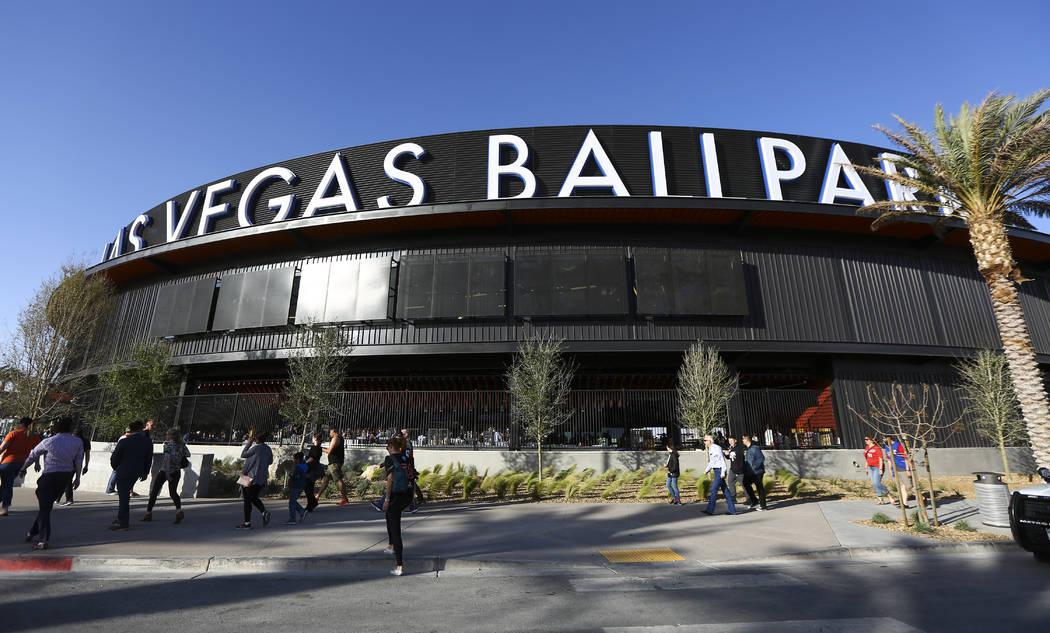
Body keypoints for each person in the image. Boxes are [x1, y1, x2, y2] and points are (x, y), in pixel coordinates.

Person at [19, 417, 83, 549]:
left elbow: (33, 455)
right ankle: (32, 531)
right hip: (65, 477)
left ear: (56, 428)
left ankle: (43, 540)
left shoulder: (49, 441)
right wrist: (77, 478)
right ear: (71, 428)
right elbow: (78, 461)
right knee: (46, 507)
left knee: (45, 508)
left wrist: (23, 468)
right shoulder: (77, 442)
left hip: (49, 477)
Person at [109, 420, 153, 531]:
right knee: (125, 496)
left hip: (123, 471)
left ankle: (122, 522)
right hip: (137, 472)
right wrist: (145, 472)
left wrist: (116, 468)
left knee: (123, 497)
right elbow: (149, 459)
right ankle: (120, 518)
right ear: (140, 429)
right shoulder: (147, 442)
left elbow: (114, 458)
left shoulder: (125, 441)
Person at [141, 428, 189, 524]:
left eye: (167, 434)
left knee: (154, 492)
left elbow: (167, 459)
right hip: (177, 471)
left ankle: (148, 513)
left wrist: (167, 474)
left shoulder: (168, 445)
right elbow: (188, 454)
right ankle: (179, 511)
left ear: (171, 436)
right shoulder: (182, 445)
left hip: (165, 471)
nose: (166, 436)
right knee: (173, 492)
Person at [381, 436, 412, 576]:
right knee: (389, 517)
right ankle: (391, 545)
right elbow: (412, 477)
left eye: (387, 447)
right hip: (406, 495)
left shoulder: (390, 459)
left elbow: (390, 480)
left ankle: (399, 565)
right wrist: (412, 500)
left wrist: (386, 500)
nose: (387, 449)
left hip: (395, 496)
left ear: (391, 447)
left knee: (395, 528)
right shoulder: (406, 458)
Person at [1, 417, 40, 516]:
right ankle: (5, 506)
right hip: (22, 465)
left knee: (7, 485)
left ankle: (5, 508)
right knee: (7, 484)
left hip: (8, 463)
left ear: (21, 424)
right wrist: (36, 463)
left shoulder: (14, 433)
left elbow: (2, 448)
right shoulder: (34, 437)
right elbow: (36, 452)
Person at [237, 430, 273, 529]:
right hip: (261, 478)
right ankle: (263, 512)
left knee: (247, 500)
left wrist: (249, 443)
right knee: (253, 498)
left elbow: (243, 454)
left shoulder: (256, 448)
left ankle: (247, 523)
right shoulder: (268, 449)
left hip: (249, 477)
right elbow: (270, 461)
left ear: (256, 440)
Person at [702, 435, 736, 515]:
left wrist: (723, 472)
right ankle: (732, 510)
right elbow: (712, 462)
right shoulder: (710, 448)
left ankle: (710, 510)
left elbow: (722, 460)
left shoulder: (716, 448)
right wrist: (707, 470)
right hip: (716, 470)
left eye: (705, 440)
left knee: (713, 490)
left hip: (720, 471)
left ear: (710, 441)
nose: (704, 442)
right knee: (726, 491)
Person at [58, 427, 91, 506]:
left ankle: (69, 499)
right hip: (78, 463)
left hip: (69, 462)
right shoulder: (86, 441)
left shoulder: (72, 440)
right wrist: (86, 466)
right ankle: (58, 497)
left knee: (67, 480)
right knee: (66, 480)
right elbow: (87, 455)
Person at [316, 428, 349, 506]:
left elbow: (329, 451)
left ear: (334, 432)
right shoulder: (339, 438)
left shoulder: (336, 438)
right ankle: (317, 496)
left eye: (330, 432)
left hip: (335, 463)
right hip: (332, 463)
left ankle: (345, 498)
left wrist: (320, 448)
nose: (329, 434)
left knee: (338, 480)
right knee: (326, 479)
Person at [863, 436, 895, 506]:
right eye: (865, 439)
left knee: (877, 483)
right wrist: (866, 467)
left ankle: (889, 494)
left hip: (877, 467)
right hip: (870, 467)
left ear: (871, 440)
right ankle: (880, 499)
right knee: (875, 484)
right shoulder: (867, 448)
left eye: (867, 439)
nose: (865, 441)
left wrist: (880, 468)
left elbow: (881, 459)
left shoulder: (877, 448)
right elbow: (867, 458)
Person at [741, 435, 767, 511]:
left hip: (757, 472)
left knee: (759, 488)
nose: (742, 441)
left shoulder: (755, 448)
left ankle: (763, 506)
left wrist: (755, 466)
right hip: (750, 472)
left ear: (746, 439)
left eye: (743, 439)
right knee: (745, 483)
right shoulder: (748, 449)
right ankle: (754, 501)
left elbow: (761, 458)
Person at [105, 426, 132, 495]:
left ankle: (111, 489)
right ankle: (109, 489)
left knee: (117, 473)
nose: (128, 434)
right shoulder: (124, 438)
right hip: (119, 459)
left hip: (120, 458)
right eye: (128, 432)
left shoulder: (124, 438)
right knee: (115, 473)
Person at [887, 436, 913, 508]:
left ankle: (922, 498)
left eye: (884, 438)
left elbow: (906, 457)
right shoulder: (887, 447)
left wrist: (907, 469)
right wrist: (890, 469)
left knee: (909, 486)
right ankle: (905, 504)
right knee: (902, 487)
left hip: (903, 467)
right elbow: (889, 459)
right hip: (896, 469)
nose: (883, 440)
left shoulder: (898, 445)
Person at [303, 433, 324, 515]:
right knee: (309, 487)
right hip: (314, 469)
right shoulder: (319, 448)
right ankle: (311, 504)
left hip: (312, 469)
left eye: (313, 438)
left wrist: (304, 464)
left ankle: (312, 504)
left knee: (308, 487)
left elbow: (312, 458)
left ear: (315, 439)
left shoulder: (314, 448)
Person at [285, 452, 308, 525]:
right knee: (293, 501)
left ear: (298, 459)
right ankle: (302, 511)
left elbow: (293, 476)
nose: (293, 460)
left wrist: (290, 477)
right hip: (301, 485)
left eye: (294, 459)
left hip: (296, 485)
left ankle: (292, 518)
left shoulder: (298, 467)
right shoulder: (305, 466)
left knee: (292, 502)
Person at [725, 436, 745, 502]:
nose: (730, 442)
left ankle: (749, 498)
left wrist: (740, 468)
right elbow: (729, 458)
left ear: (735, 440)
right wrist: (726, 454)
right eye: (729, 441)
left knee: (744, 484)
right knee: (730, 482)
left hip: (740, 469)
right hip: (732, 469)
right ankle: (733, 498)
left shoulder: (739, 448)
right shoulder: (730, 448)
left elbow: (740, 457)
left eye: (731, 441)